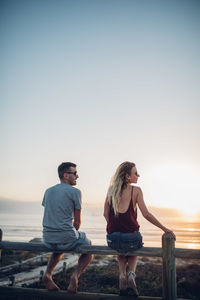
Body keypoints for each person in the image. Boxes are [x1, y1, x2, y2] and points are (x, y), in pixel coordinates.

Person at [104, 161, 176, 296]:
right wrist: (164, 229)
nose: (138, 175)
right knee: (133, 247)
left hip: (112, 238)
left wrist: (113, 228)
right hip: (131, 238)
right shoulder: (136, 190)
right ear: (127, 176)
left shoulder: (111, 190)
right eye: (135, 173)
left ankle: (121, 275)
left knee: (121, 248)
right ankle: (131, 275)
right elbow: (146, 214)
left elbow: (105, 214)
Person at [42, 162, 93, 293]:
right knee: (89, 249)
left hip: (47, 238)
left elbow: (51, 213)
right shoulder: (75, 192)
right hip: (65, 237)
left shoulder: (48, 191)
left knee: (58, 245)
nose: (77, 176)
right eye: (74, 173)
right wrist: (70, 233)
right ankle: (75, 276)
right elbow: (77, 222)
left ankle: (48, 274)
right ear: (66, 175)